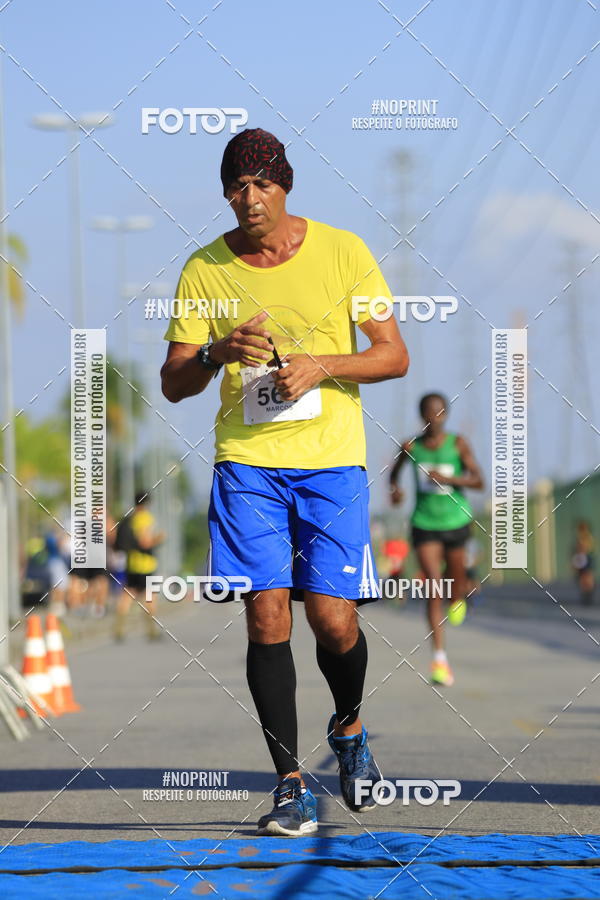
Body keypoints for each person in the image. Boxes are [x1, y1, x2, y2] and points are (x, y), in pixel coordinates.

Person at [161, 127, 409, 836]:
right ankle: (290, 785)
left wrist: (321, 365)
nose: (250, 200)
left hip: (331, 459)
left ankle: (350, 728)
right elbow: (174, 383)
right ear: (225, 194)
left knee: (333, 620)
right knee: (267, 613)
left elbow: (393, 357)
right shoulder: (204, 270)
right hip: (248, 463)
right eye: (237, 187)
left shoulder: (344, 251)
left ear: (286, 186)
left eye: (262, 185)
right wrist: (214, 350)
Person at [389, 393, 483, 687]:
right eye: (429, 413)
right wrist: (396, 491)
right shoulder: (411, 447)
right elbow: (393, 476)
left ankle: (457, 598)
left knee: (454, 585)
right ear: (422, 416)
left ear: (446, 415)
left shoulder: (457, 444)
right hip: (424, 523)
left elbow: (479, 481)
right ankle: (439, 659)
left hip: (456, 521)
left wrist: (450, 480)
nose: (435, 418)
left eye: (440, 413)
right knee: (432, 584)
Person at [113, 491, 165, 641]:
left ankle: (119, 627)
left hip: (131, 563)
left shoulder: (130, 518)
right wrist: (159, 538)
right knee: (150, 597)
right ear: (147, 503)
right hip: (145, 565)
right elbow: (145, 542)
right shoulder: (145, 518)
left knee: (127, 594)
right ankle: (151, 630)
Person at [572, 520, 595, 606]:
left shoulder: (588, 537)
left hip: (587, 559)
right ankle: (586, 594)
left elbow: (588, 548)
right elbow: (577, 550)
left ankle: (588, 593)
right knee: (582, 578)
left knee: (588, 577)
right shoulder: (579, 538)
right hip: (581, 559)